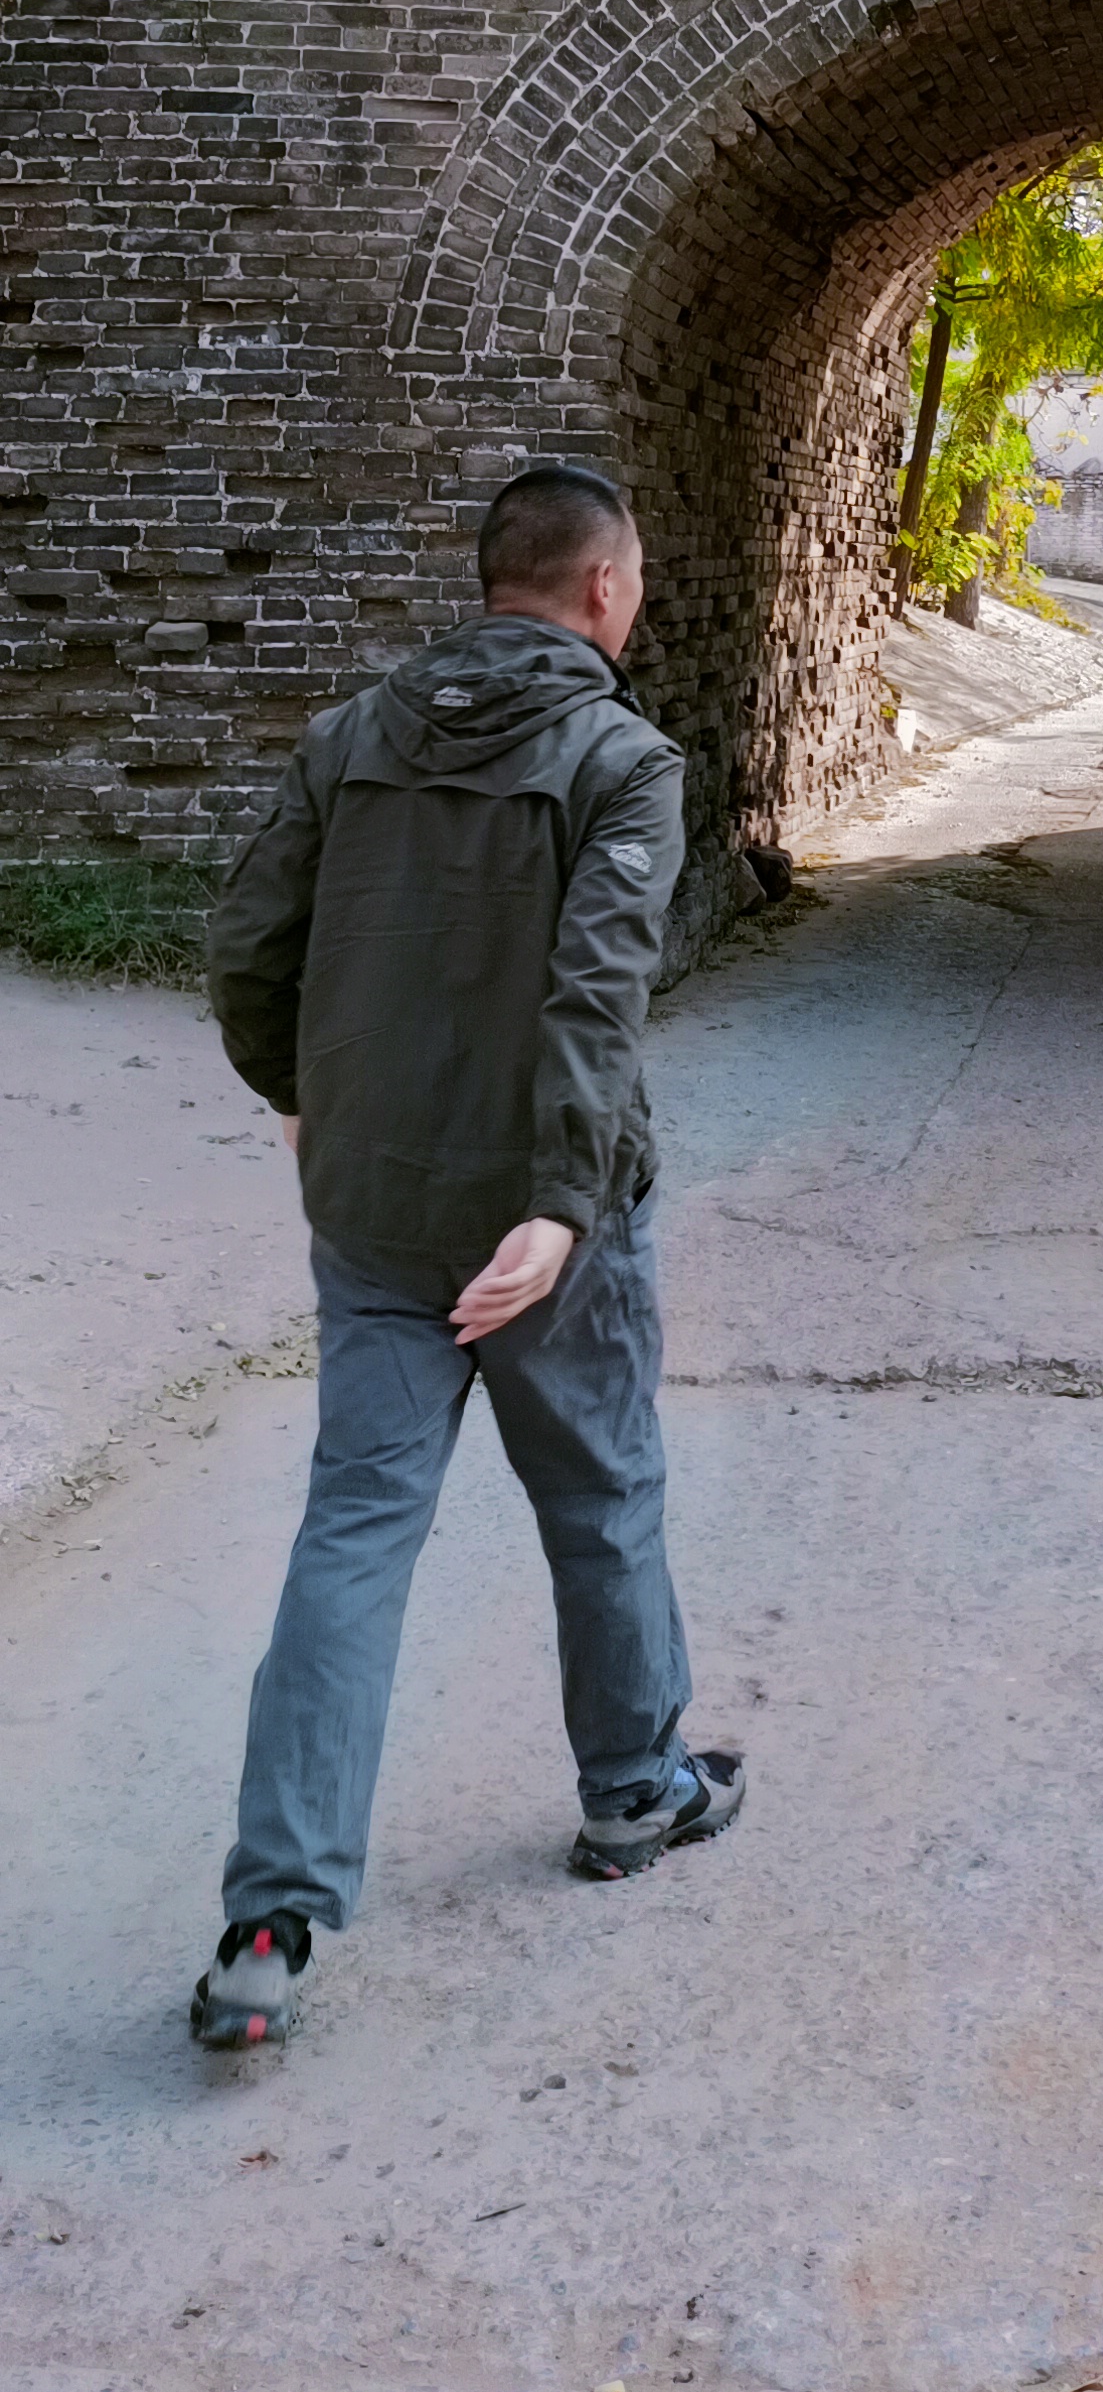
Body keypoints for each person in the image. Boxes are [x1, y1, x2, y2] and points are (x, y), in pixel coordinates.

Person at [191, 460, 741, 2053]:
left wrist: (296, 1096)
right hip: (542, 1220)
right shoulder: (620, 760)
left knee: (355, 1532)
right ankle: (635, 1791)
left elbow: (247, 944)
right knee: (600, 1495)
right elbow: (598, 997)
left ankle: (270, 1920)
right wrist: (560, 1210)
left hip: (374, 1211)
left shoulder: (351, 735)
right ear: (604, 591)